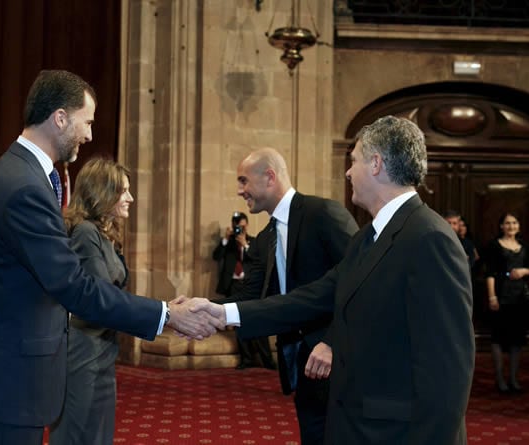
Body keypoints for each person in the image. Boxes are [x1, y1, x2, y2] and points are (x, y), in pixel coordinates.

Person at [0, 69, 221, 445]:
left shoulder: (26, 173)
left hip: (13, 373)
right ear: (59, 118)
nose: (90, 134)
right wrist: (166, 314)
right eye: (86, 121)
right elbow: (72, 284)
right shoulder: (24, 184)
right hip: (7, 378)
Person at [196, 116, 475, 444]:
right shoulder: (367, 238)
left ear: (375, 164)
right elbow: (312, 297)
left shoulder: (429, 238)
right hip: (355, 424)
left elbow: (449, 370)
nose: (347, 171)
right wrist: (222, 313)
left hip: (396, 433)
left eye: (353, 160)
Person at [218, 148, 358, 444]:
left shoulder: (323, 213)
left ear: (269, 177)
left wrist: (333, 342)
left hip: (342, 360)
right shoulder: (265, 238)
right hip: (299, 362)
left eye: (244, 181)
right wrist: (194, 309)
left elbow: (362, 281)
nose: (239, 190)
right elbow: (248, 299)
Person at [49, 158, 134, 444]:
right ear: (103, 192)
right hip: (83, 353)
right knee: (77, 434)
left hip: (103, 350)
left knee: (97, 435)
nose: (130, 198)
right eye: (123, 192)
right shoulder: (85, 232)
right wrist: (163, 316)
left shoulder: (105, 234)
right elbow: (101, 298)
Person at [213, 212, 275, 370]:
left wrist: (245, 245)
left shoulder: (254, 242)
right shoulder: (229, 244)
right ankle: (246, 359)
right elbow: (216, 256)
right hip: (234, 285)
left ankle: (267, 360)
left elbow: (258, 260)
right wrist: (226, 240)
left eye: (242, 226)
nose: (239, 229)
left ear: (246, 225)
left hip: (251, 286)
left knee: (259, 323)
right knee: (238, 323)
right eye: (236, 227)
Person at [484, 212, 529, 393]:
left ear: (518, 226)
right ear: (501, 226)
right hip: (500, 295)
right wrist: (492, 296)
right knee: (498, 338)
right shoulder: (494, 246)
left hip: (520, 298)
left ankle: (513, 378)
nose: (511, 226)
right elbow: (489, 273)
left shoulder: (525, 247)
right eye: (507, 223)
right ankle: (500, 379)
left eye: (514, 222)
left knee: (517, 340)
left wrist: (524, 271)